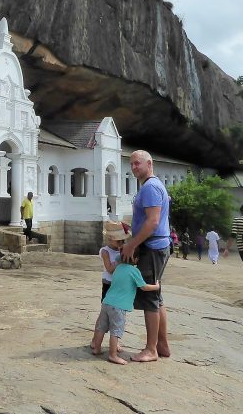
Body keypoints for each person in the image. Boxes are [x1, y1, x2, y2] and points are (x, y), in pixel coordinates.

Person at [119, 150, 171, 363]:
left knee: (149, 297)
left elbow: (152, 222)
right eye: (131, 164)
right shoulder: (153, 185)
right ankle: (162, 344)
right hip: (156, 245)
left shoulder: (150, 187)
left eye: (137, 164)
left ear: (149, 163)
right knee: (157, 297)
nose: (133, 168)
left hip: (152, 247)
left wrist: (132, 244)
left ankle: (151, 349)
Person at [96, 255, 161, 365]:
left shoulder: (118, 267)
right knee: (115, 331)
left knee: (101, 327)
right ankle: (112, 355)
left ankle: (96, 348)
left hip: (106, 302)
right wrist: (156, 287)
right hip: (119, 306)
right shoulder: (134, 271)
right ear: (135, 259)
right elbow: (143, 287)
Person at [91, 221, 125, 356]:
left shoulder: (122, 249)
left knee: (117, 314)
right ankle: (95, 340)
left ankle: (115, 340)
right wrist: (120, 260)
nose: (121, 244)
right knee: (104, 313)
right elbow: (110, 269)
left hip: (119, 284)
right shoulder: (105, 251)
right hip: (108, 284)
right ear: (110, 239)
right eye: (118, 242)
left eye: (123, 241)